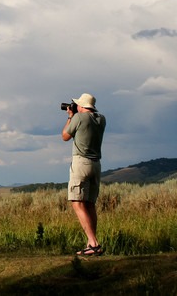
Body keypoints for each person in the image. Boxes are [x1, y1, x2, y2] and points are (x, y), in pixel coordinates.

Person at [62, 93, 106, 256]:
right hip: (96, 164)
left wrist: (70, 117)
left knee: (77, 202)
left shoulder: (79, 118)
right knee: (89, 204)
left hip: (81, 163)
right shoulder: (101, 119)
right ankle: (90, 243)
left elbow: (65, 136)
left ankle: (93, 243)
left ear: (81, 106)